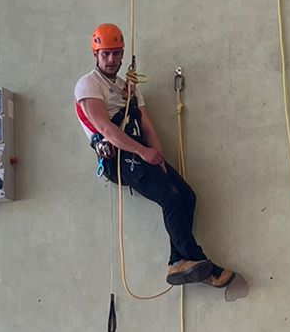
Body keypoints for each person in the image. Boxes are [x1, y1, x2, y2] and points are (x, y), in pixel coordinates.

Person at [76, 21, 236, 290]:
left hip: (139, 148)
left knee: (186, 196)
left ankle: (178, 260)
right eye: (106, 54)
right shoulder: (88, 85)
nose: (112, 59)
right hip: (118, 155)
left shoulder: (129, 87)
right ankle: (200, 262)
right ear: (96, 55)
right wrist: (141, 151)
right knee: (170, 198)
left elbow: (146, 123)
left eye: (116, 53)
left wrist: (157, 155)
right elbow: (105, 128)